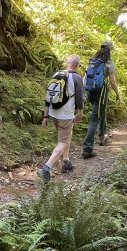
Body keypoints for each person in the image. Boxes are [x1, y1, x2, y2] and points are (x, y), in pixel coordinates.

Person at [38, 55, 84, 183]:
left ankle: (66, 162)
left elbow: (48, 97)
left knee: (66, 136)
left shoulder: (56, 75)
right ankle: (46, 168)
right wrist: (80, 112)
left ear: (67, 63)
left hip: (54, 113)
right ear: (77, 65)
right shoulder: (77, 78)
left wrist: (45, 116)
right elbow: (80, 98)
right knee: (63, 142)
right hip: (66, 115)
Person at [81, 42, 121, 159]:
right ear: (110, 51)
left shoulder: (92, 61)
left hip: (90, 91)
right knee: (94, 119)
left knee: (100, 111)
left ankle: (102, 136)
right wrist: (117, 94)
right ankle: (87, 149)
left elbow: (85, 78)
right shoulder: (108, 63)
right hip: (101, 92)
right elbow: (112, 82)